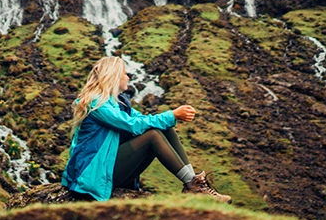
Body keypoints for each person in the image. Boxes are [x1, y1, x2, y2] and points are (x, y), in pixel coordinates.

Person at [61, 56, 231, 203]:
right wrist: (172, 114)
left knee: (165, 129)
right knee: (152, 135)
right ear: (113, 77)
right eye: (124, 73)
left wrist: (170, 118)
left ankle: (194, 185)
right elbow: (132, 125)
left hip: (109, 167)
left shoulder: (118, 103)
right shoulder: (96, 104)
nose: (128, 77)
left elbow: (141, 120)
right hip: (93, 174)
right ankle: (194, 186)